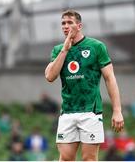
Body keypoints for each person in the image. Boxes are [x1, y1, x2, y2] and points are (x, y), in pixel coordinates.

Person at [45, 9, 124, 161]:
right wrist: (65, 49)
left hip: (91, 112)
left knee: (89, 159)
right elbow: (50, 76)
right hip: (67, 111)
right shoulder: (58, 50)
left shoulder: (96, 47)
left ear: (79, 26)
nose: (65, 26)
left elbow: (110, 78)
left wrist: (117, 110)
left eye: (70, 23)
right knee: (66, 158)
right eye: (63, 23)